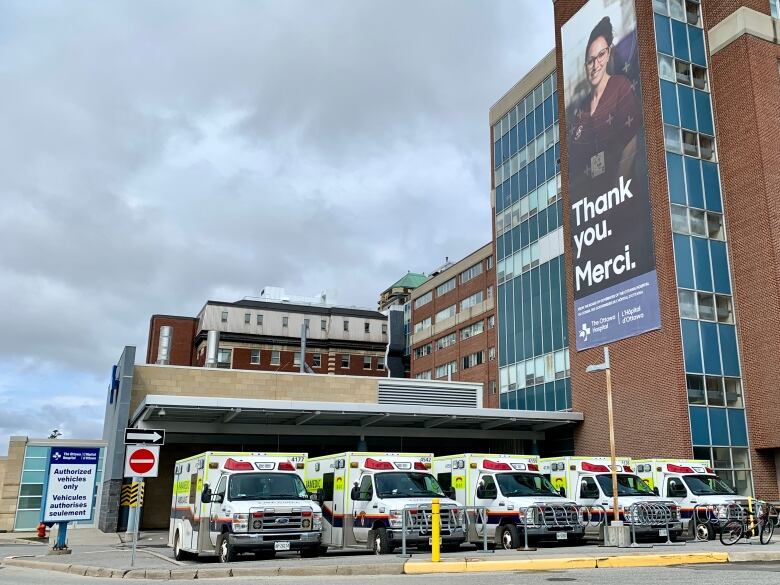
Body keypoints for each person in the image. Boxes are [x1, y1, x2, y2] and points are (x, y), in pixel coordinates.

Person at [568, 16, 641, 188]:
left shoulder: (620, 86)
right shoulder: (581, 110)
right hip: (591, 204)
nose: (595, 65)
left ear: (608, 54)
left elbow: (631, 141)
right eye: (590, 60)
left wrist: (617, 185)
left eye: (600, 55)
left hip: (623, 194)